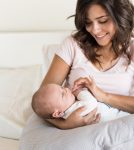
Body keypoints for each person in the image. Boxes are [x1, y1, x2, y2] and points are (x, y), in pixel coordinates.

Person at [32, 0, 134, 129]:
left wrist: (103, 96)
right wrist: (66, 124)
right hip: (75, 134)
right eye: (88, 22)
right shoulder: (73, 45)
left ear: (121, 16)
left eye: (102, 21)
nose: (95, 30)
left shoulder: (132, 49)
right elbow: (43, 107)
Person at [32, 83, 98, 119]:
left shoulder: (69, 106)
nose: (66, 89)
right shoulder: (71, 112)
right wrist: (79, 93)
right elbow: (92, 103)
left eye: (62, 87)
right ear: (57, 113)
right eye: (63, 94)